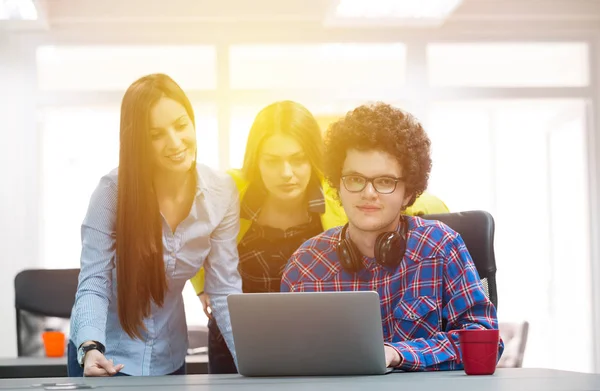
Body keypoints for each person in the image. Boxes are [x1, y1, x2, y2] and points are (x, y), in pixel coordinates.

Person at [188, 101, 451, 373]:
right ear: (256, 161)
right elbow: (194, 229)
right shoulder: (232, 192)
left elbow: (394, 192)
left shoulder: (337, 195)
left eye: (298, 159)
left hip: (310, 341)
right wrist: (201, 285)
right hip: (236, 337)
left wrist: (423, 214)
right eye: (272, 160)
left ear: (314, 160)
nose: (286, 173)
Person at [280, 102, 503, 371]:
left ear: (407, 193)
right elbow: (287, 357)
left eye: (385, 181)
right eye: (354, 179)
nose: (368, 193)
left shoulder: (442, 246)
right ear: (338, 186)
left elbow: (483, 338)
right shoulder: (305, 265)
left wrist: (397, 354)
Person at [67, 73, 242, 377]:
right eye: (156, 134)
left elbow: (224, 289)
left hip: (168, 356)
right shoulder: (111, 193)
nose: (175, 142)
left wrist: (251, 361)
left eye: (180, 125)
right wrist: (90, 347)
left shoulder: (221, 193)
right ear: (137, 141)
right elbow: (94, 282)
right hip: (105, 356)